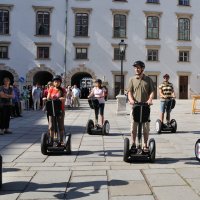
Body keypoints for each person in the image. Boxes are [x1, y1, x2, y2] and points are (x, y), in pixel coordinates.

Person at [127, 61, 155, 151]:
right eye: (135, 68)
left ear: (142, 69)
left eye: (138, 67)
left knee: (146, 128)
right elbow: (129, 92)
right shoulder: (131, 79)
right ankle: (133, 143)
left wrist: (150, 100)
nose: (136, 69)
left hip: (146, 106)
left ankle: (145, 145)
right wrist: (131, 100)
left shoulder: (148, 79)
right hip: (135, 107)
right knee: (133, 127)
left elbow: (152, 91)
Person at [47, 75, 66, 146]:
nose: (56, 83)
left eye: (58, 82)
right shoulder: (51, 89)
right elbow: (48, 97)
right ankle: (51, 140)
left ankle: (61, 140)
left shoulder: (63, 90)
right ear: (53, 82)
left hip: (60, 109)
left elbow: (64, 98)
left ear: (60, 82)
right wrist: (46, 99)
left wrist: (62, 99)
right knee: (51, 126)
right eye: (55, 82)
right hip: (51, 109)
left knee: (60, 126)